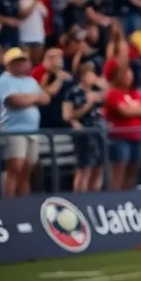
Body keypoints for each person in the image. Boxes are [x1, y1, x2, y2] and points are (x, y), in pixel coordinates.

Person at [0, 47, 50, 197]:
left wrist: (30, 98)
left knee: (27, 170)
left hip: (32, 130)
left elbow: (45, 98)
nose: (21, 64)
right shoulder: (4, 80)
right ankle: (8, 203)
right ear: (9, 64)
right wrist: (34, 98)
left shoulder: (30, 80)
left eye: (22, 61)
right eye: (17, 62)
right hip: (13, 130)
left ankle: (23, 203)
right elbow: (14, 100)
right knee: (15, 168)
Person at [102, 59, 141, 190]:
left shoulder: (135, 93)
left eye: (130, 74)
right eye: (125, 74)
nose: (129, 77)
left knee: (133, 171)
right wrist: (138, 110)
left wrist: (134, 110)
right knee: (118, 171)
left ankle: (127, 198)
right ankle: (114, 199)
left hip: (136, 136)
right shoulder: (114, 93)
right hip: (119, 138)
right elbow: (124, 111)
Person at [63, 61, 105, 192]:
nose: (93, 78)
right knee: (84, 169)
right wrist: (88, 105)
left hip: (99, 132)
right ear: (83, 76)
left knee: (99, 167)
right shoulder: (73, 92)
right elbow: (67, 115)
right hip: (83, 134)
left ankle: (95, 196)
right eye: (91, 74)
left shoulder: (97, 92)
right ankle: (80, 198)